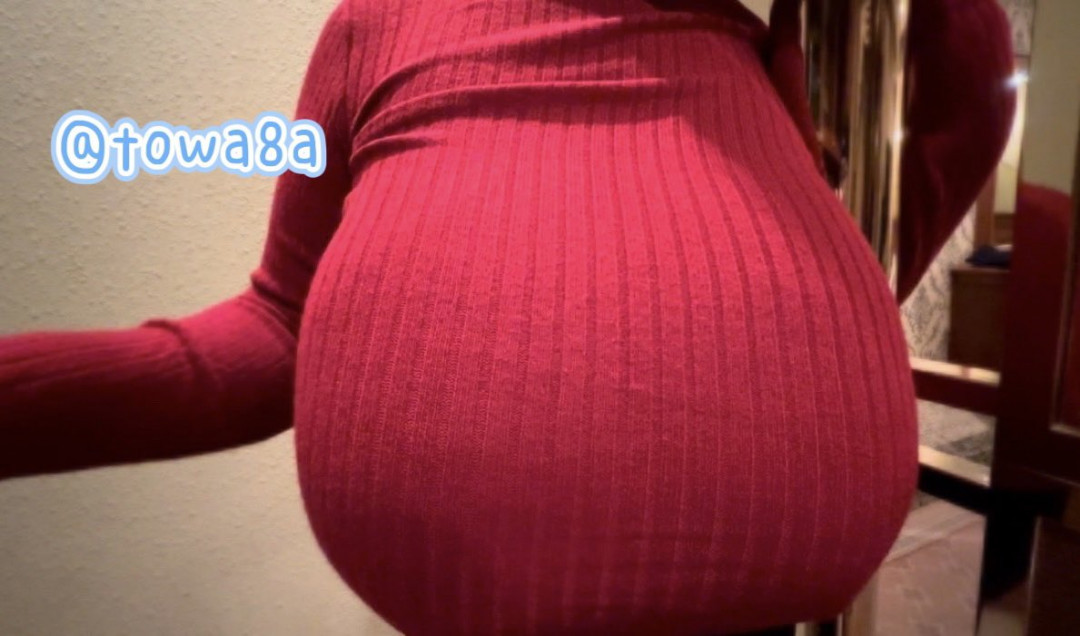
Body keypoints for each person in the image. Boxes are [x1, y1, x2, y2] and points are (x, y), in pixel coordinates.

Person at [0, 0, 1014, 634]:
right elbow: (276, 332)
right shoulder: (374, 29)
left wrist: (826, 328)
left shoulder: (771, 55)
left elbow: (968, 83)